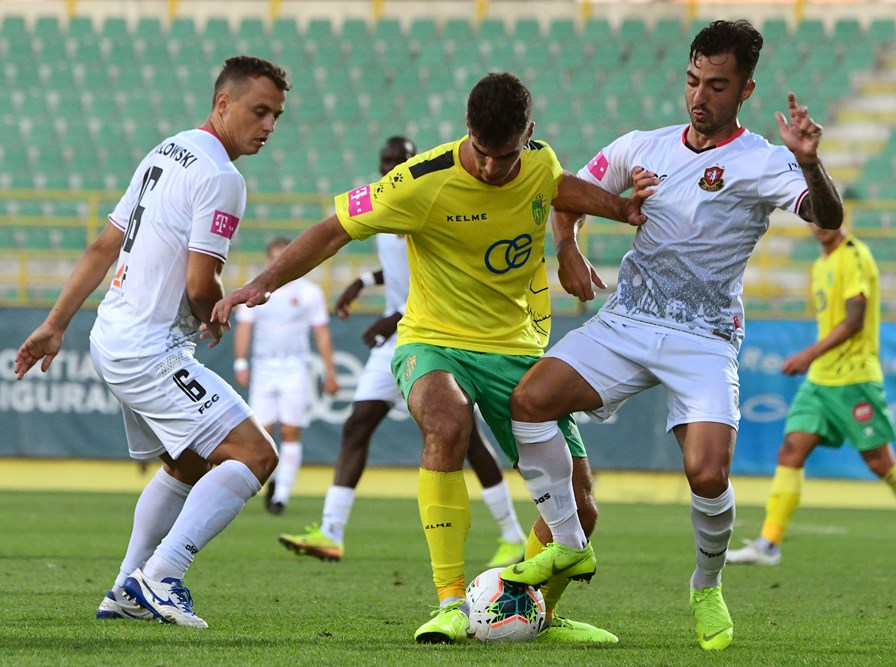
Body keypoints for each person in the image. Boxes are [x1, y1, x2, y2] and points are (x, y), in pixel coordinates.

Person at [212, 72, 654, 645]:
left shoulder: (539, 162)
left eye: (505, 156)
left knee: (581, 508)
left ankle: (534, 615)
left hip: (517, 349)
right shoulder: (419, 181)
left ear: (528, 136)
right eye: (483, 152)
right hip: (433, 340)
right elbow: (331, 231)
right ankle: (450, 603)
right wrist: (262, 284)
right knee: (446, 423)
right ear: (467, 129)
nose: (491, 168)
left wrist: (612, 215)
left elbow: (559, 187)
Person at [498, 20, 845, 652]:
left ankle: (706, 585)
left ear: (745, 89)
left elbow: (827, 214)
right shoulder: (642, 146)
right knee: (529, 401)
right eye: (692, 80)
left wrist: (809, 162)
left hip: (705, 337)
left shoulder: (764, 161)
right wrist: (567, 248)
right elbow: (565, 192)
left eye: (717, 85)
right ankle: (569, 545)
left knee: (707, 474)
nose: (699, 96)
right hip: (627, 321)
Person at [14, 56, 291, 628]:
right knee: (257, 454)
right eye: (260, 111)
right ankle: (162, 575)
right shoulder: (222, 177)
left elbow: (104, 245)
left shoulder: (167, 149)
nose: (268, 126)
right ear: (223, 103)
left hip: (112, 337)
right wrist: (215, 312)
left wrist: (56, 322)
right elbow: (199, 284)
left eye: (276, 116)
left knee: (188, 462)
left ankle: (125, 586)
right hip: (150, 349)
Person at [277, 136, 528, 568]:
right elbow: (396, 266)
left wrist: (389, 318)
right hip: (397, 339)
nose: (393, 167)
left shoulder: (426, 205)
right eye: (387, 160)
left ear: (416, 161)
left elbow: (437, 280)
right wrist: (362, 283)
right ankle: (331, 532)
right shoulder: (386, 207)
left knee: (467, 441)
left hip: (431, 339)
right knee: (357, 426)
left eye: (402, 159)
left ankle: (512, 534)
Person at [726, 225, 896, 570]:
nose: (818, 223)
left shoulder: (854, 256)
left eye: (824, 215)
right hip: (821, 381)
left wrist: (808, 355)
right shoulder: (821, 264)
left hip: (854, 378)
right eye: (812, 216)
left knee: (879, 461)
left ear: (840, 213)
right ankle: (768, 544)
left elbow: (855, 320)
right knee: (791, 450)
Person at [233, 236, 340, 515]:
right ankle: (272, 478)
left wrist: (330, 372)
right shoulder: (255, 289)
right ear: (267, 260)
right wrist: (241, 362)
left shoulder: (309, 292)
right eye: (274, 258)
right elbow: (244, 327)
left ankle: (281, 495)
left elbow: (321, 333)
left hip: (295, 368)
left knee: (291, 431)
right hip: (264, 367)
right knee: (262, 433)